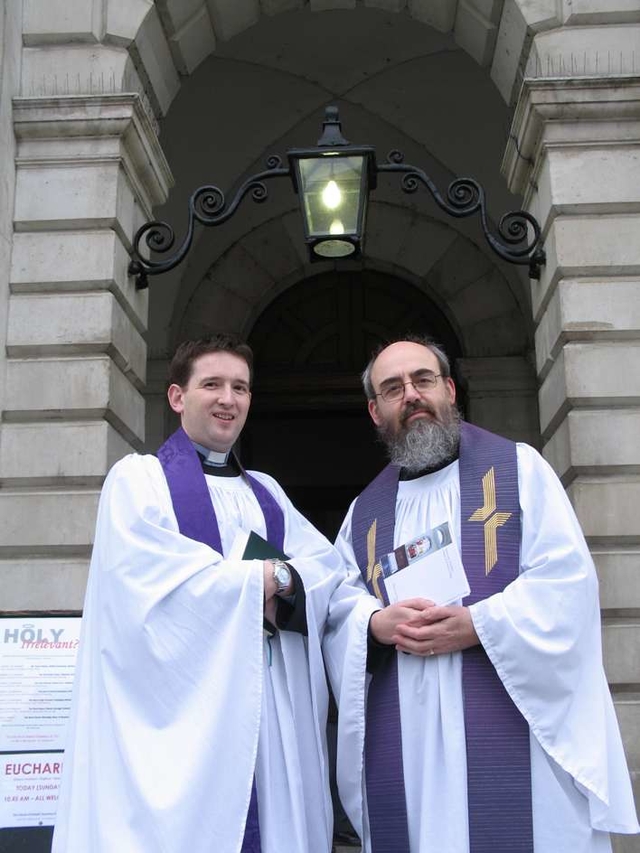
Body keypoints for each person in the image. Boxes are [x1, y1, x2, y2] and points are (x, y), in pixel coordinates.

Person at [323, 335, 639, 853]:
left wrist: (479, 623)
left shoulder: (520, 471)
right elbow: (338, 605)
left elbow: (567, 582)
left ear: (449, 389)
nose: (412, 395)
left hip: (512, 725)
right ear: (375, 411)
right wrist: (373, 624)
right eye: (393, 388)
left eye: (423, 380)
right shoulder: (364, 513)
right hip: (411, 740)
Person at [52, 333, 357, 853]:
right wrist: (254, 582)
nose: (228, 399)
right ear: (177, 397)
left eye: (240, 387)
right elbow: (145, 588)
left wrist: (278, 580)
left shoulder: (268, 493)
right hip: (186, 728)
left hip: (270, 723)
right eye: (212, 384)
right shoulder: (139, 481)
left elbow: (328, 568)